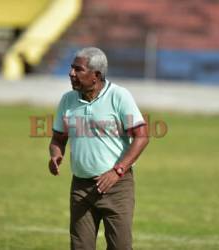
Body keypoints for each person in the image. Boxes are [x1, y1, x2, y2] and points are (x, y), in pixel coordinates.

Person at [49, 47, 149, 250]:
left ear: (96, 75)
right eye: (71, 68)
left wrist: (117, 171)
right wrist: (55, 155)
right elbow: (58, 139)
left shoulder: (119, 96)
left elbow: (142, 136)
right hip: (81, 188)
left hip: (117, 186)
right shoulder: (68, 100)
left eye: (78, 69)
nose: (71, 73)